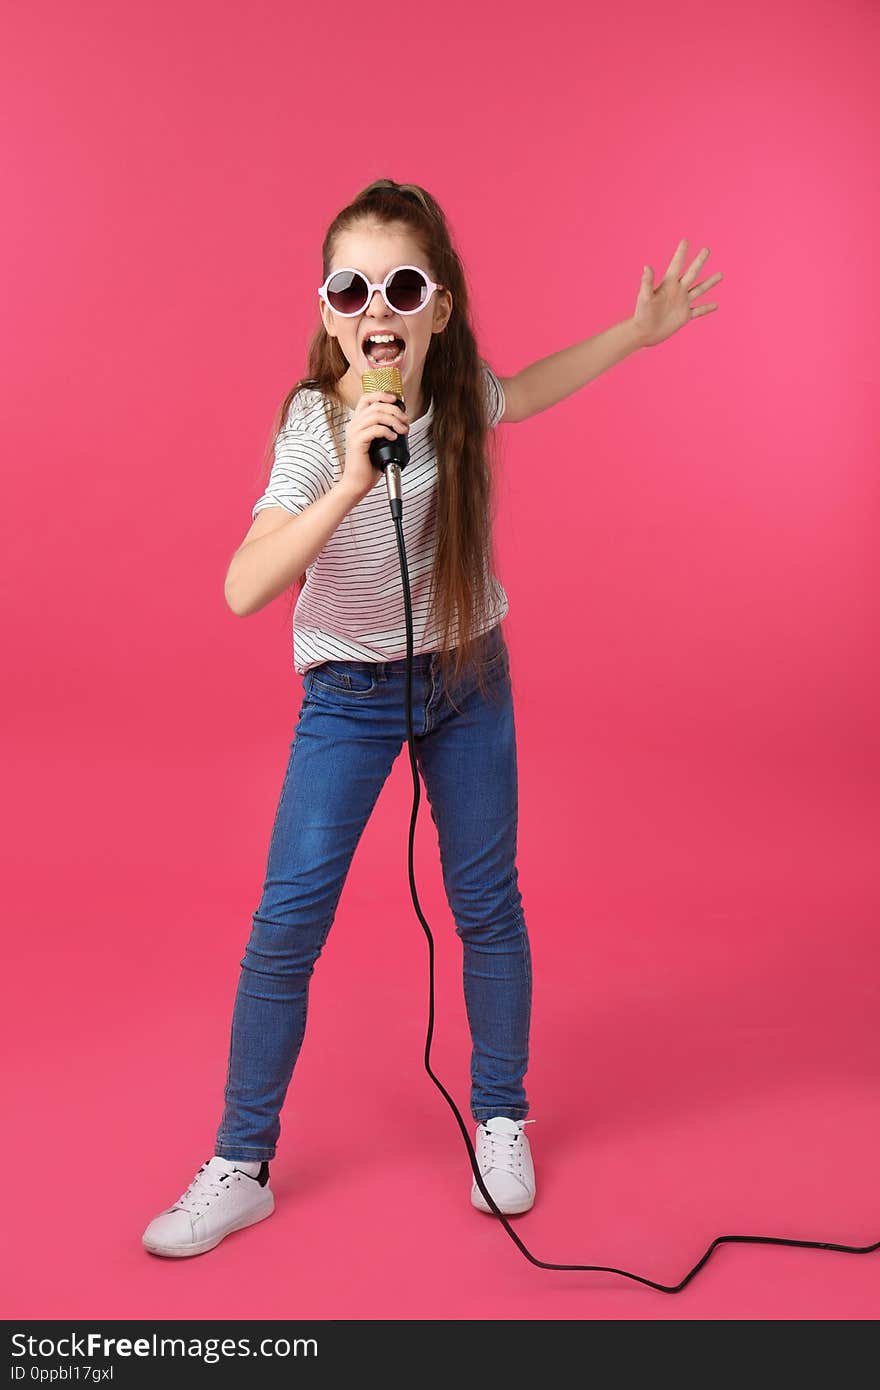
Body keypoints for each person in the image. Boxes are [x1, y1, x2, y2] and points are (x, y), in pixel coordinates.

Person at [142, 179, 536, 1258]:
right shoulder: (314, 428)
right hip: (348, 698)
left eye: (402, 286)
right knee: (286, 927)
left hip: (466, 677)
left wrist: (638, 334)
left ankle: (500, 1115)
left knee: (485, 903)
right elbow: (241, 586)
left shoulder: (461, 401)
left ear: (436, 309)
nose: (378, 306)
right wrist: (351, 485)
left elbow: (533, 387)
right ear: (328, 311)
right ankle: (241, 1160)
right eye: (351, 286)